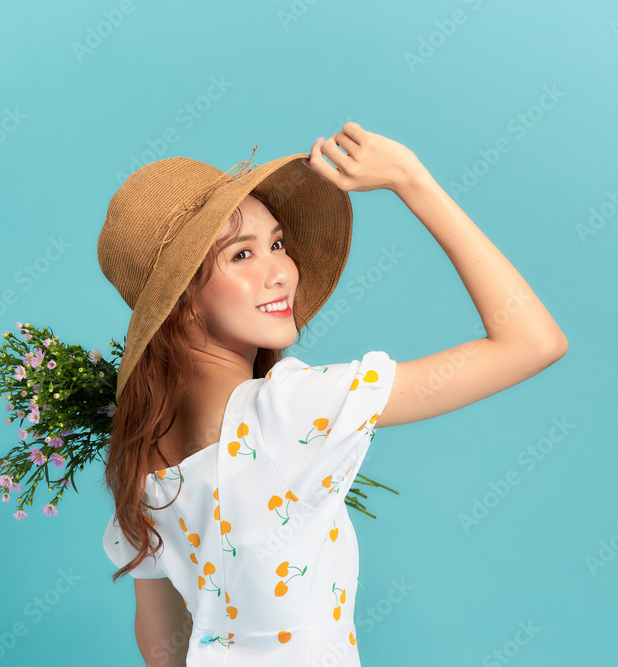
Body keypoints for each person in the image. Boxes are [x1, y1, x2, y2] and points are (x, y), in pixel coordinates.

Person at [97, 121, 568, 666]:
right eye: (241, 256)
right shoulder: (288, 409)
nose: (280, 273)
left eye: (277, 243)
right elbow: (533, 341)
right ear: (182, 301)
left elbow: (160, 646)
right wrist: (412, 180)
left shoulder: (139, 457)